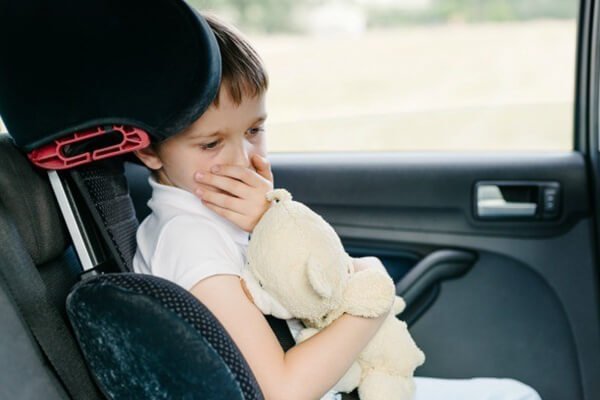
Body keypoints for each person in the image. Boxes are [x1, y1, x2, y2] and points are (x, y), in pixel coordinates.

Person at [132, 13, 542, 400]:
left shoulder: (225, 218)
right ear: (149, 150)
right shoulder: (190, 241)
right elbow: (282, 391)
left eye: (255, 130)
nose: (243, 159)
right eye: (211, 144)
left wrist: (272, 222)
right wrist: (373, 299)